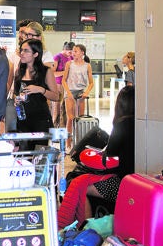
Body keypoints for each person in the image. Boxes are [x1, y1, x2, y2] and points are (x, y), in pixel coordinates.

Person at [57, 85, 135, 228]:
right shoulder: (141, 123)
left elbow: (109, 155)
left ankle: (87, 228)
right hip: (137, 181)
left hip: (123, 184)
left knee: (80, 186)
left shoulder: (122, 125)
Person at [13, 39, 59, 150]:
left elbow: (56, 96)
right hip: (23, 120)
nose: (22, 53)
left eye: (26, 51)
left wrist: (40, 90)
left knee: (38, 157)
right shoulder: (19, 71)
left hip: (40, 120)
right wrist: (16, 100)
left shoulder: (46, 71)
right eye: (21, 50)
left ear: (36, 54)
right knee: (24, 157)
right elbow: (15, 93)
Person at [62, 44, 94, 148]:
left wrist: (86, 92)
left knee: (80, 118)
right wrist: (68, 93)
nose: (73, 53)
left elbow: (91, 83)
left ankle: (80, 143)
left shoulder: (87, 65)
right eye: (73, 51)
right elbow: (63, 80)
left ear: (82, 53)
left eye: (76, 51)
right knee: (70, 118)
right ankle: (68, 144)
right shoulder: (69, 64)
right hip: (70, 91)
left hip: (80, 91)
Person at [52, 41, 74, 128]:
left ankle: (63, 128)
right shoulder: (57, 57)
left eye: (73, 52)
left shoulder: (71, 57)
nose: (71, 54)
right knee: (57, 107)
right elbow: (53, 73)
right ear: (64, 50)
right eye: (69, 52)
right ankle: (54, 127)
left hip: (67, 85)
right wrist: (65, 72)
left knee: (66, 108)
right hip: (58, 84)